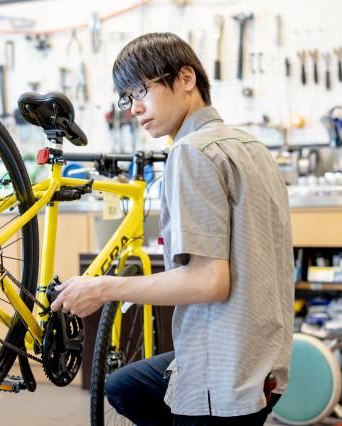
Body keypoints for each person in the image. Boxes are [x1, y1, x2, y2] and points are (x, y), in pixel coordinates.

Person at [50, 32, 294, 426]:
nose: (134, 107)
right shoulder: (252, 146)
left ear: (185, 78)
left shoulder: (190, 151)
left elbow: (208, 282)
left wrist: (102, 287)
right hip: (263, 361)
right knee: (124, 386)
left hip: (222, 375)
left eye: (141, 90)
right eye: (126, 98)